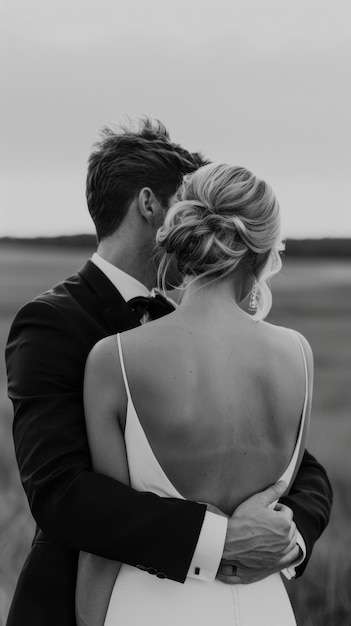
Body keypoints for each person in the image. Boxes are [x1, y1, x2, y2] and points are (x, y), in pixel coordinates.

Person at [5, 120, 332, 626]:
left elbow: (300, 467)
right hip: (93, 601)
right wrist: (221, 539)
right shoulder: (53, 322)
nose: (203, 225)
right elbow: (61, 493)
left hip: (242, 594)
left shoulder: (197, 326)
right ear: (150, 205)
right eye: (189, 206)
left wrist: (289, 537)